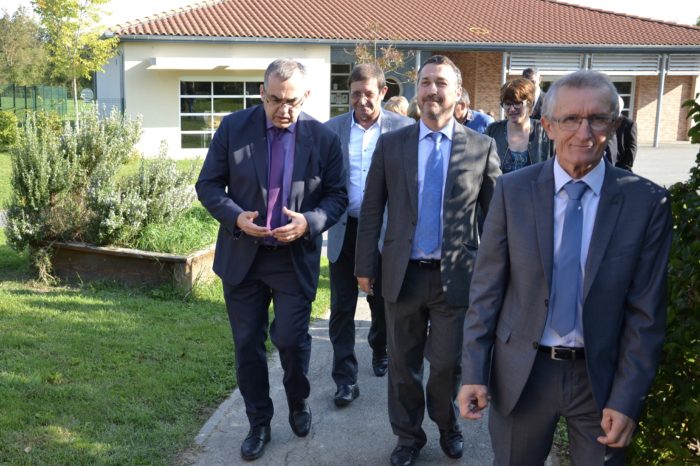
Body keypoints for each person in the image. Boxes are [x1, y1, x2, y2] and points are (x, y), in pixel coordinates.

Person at [458, 70, 672, 465]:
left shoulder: (646, 204)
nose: (584, 132)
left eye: (598, 119)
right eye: (571, 119)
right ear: (549, 127)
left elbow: (647, 314)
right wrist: (473, 370)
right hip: (523, 373)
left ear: (616, 125)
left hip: (601, 381)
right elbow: (486, 290)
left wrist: (627, 399)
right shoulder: (512, 192)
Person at [195, 58, 347, 462]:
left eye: (292, 101)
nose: (283, 109)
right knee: (247, 345)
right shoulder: (233, 128)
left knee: (291, 342)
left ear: (306, 97)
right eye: (275, 100)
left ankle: (298, 401)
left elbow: (337, 197)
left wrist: (310, 222)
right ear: (261, 93)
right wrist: (235, 217)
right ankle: (258, 422)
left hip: (293, 258)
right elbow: (207, 184)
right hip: (243, 257)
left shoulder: (323, 138)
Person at [355, 55, 501, 466]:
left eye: (440, 83)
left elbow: (496, 221)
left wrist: (498, 274)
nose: (432, 90)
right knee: (402, 365)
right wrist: (365, 266)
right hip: (402, 275)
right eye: (424, 83)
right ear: (416, 91)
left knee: (445, 365)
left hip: (455, 276)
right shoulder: (393, 144)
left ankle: (447, 424)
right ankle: (408, 437)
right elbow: (371, 209)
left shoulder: (481, 146)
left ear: (457, 93)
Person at [325, 64, 414, 407]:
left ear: (383, 93)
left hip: (385, 234)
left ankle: (380, 349)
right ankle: (344, 379)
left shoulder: (404, 129)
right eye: (355, 94)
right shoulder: (331, 130)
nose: (362, 100)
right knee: (342, 308)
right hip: (344, 230)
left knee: (382, 303)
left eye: (369, 94)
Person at [485, 77, 553, 174]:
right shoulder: (493, 130)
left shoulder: (544, 131)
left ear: (530, 104)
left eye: (517, 103)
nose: (512, 109)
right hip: (500, 189)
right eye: (508, 104)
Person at [604, 96, 637, 171]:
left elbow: (632, 146)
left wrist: (626, 165)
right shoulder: (604, 121)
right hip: (606, 162)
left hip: (620, 164)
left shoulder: (629, 124)